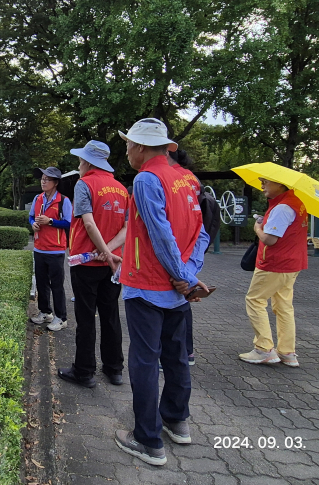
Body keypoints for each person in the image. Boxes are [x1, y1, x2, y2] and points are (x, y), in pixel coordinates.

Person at [114, 118, 210, 466]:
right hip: (177, 289)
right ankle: (176, 421)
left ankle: (148, 439)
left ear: (140, 147)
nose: (126, 150)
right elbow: (203, 231)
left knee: (144, 360)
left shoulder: (145, 179)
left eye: (127, 145)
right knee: (176, 356)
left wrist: (181, 275)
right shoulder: (188, 178)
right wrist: (189, 274)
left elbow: (160, 234)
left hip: (148, 285)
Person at [56, 141, 128, 387]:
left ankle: (84, 371)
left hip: (86, 263)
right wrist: (109, 253)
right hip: (113, 265)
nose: (79, 165)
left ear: (87, 162)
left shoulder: (84, 184)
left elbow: (88, 223)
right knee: (110, 316)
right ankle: (114, 368)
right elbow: (127, 228)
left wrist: (103, 252)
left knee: (86, 318)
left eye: (80, 160)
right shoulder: (121, 189)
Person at [239, 178, 308, 367]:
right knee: (283, 305)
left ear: (280, 183)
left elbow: (270, 240)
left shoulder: (282, 207)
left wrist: (258, 228)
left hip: (275, 263)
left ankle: (263, 349)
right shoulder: (296, 203)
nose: (262, 185)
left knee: (255, 300)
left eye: (266, 182)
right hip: (293, 263)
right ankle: (287, 352)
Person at [167, 149, 211, 366]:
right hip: (188, 254)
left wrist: (182, 271)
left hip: (179, 254)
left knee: (177, 304)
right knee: (182, 302)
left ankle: (181, 353)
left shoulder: (173, 178)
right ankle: (186, 352)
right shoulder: (190, 177)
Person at [29, 167, 73, 331]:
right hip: (39, 248)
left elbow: (69, 223)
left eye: (47, 179)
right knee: (41, 284)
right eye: (42, 178)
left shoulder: (63, 201)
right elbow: (31, 215)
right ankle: (45, 312)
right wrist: (32, 223)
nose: (43, 181)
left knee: (57, 285)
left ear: (55, 183)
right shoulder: (38, 198)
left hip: (56, 250)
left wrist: (50, 221)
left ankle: (61, 317)